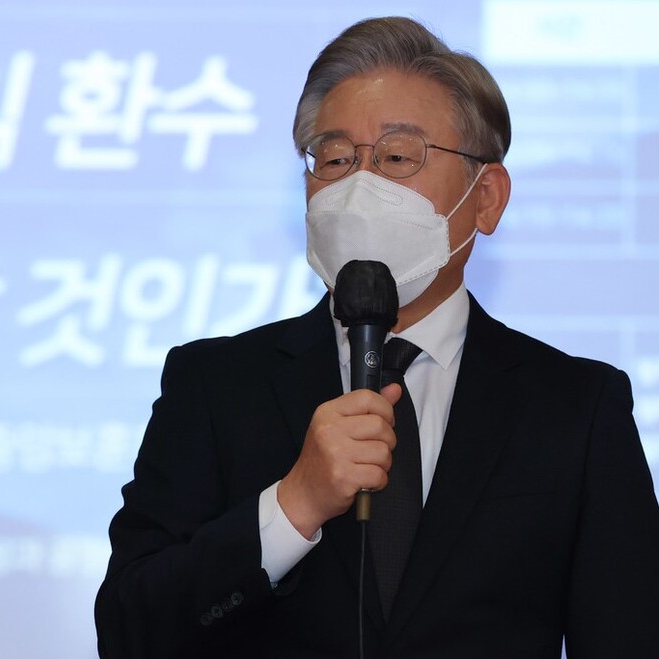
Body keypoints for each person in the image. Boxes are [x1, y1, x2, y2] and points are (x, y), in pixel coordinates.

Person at [94, 16, 659, 658]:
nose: (360, 187)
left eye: (396, 156)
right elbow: (128, 631)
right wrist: (293, 506)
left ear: (486, 198)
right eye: (336, 159)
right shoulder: (214, 385)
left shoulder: (576, 407)